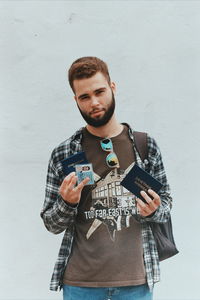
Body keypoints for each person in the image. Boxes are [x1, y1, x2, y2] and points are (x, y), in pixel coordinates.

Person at [40, 56, 172, 300]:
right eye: (84, 97)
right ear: (76, 100)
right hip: (80, 286)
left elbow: (166, 206)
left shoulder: (145, 146)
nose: (94, 102)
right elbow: (51, 223)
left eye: (99, 91)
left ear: (113, 87)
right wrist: (67, 202)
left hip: (137, 284)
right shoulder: (64, 153)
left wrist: (153, 210)